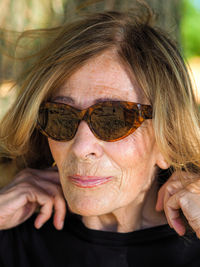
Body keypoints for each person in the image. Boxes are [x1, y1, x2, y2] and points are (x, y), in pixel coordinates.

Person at [0, 8, 200, 267]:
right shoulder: (14, 236)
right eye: (61, 116)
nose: (81, 147)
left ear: (168, 139)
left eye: (113, 119)